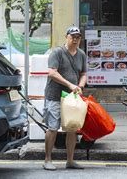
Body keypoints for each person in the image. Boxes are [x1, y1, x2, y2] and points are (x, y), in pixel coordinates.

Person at [43, 26, 87, 171]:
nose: (75, 40)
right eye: (72, 37)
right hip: (55, 95)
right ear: (66, 37)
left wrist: (80, 85)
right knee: (53, 127)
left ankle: (70, 160)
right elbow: (52, 73)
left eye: (78, 37)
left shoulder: (81, 54)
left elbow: (84, 73)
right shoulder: (57, 52)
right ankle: (47, 159)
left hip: (72, 97)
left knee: (72, 128)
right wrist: (70, 84)